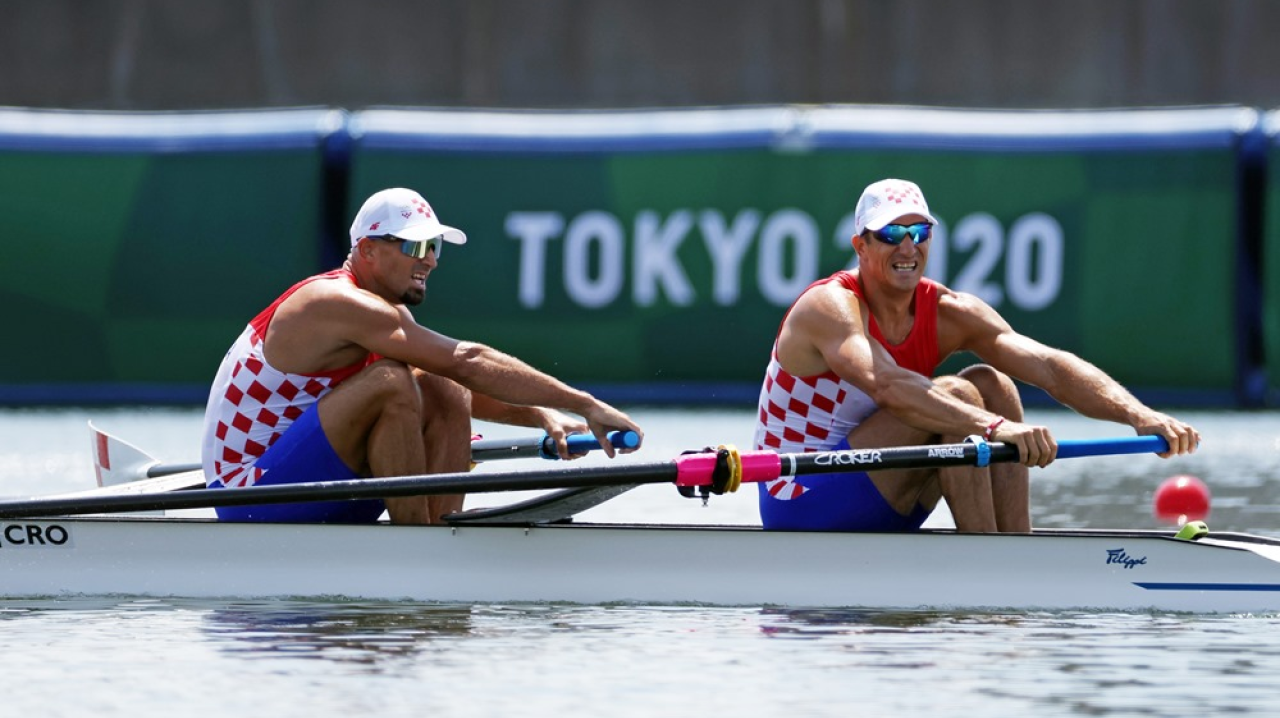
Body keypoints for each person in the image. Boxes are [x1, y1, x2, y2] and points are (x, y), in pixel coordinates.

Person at [753, 178, 1199, 533]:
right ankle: (986, 561)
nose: (908, 248)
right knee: (958, 393)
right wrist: (996, 428)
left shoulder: (948, 311)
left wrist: (1138, 414)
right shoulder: (829, 307)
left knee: (991, 382)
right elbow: (887, 387)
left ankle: (1011, 550)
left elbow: (1047, 366)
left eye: (919, 232)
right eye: (891, 234)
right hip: (800, 497)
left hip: (882, 490)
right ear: (861, 246)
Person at [200, 187, 642, 524]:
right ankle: (420, 549)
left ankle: (438, 532)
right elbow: (466, 358)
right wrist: (584, 402)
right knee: (395, 381)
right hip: (251, 496)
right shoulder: (331, 301)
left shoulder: (382, 317)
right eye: (414, 246)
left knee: (441, 382)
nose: (429, 260)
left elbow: (457, 380)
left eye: (435, 247)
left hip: (305, 482)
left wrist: (542, 415)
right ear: (367, 250)